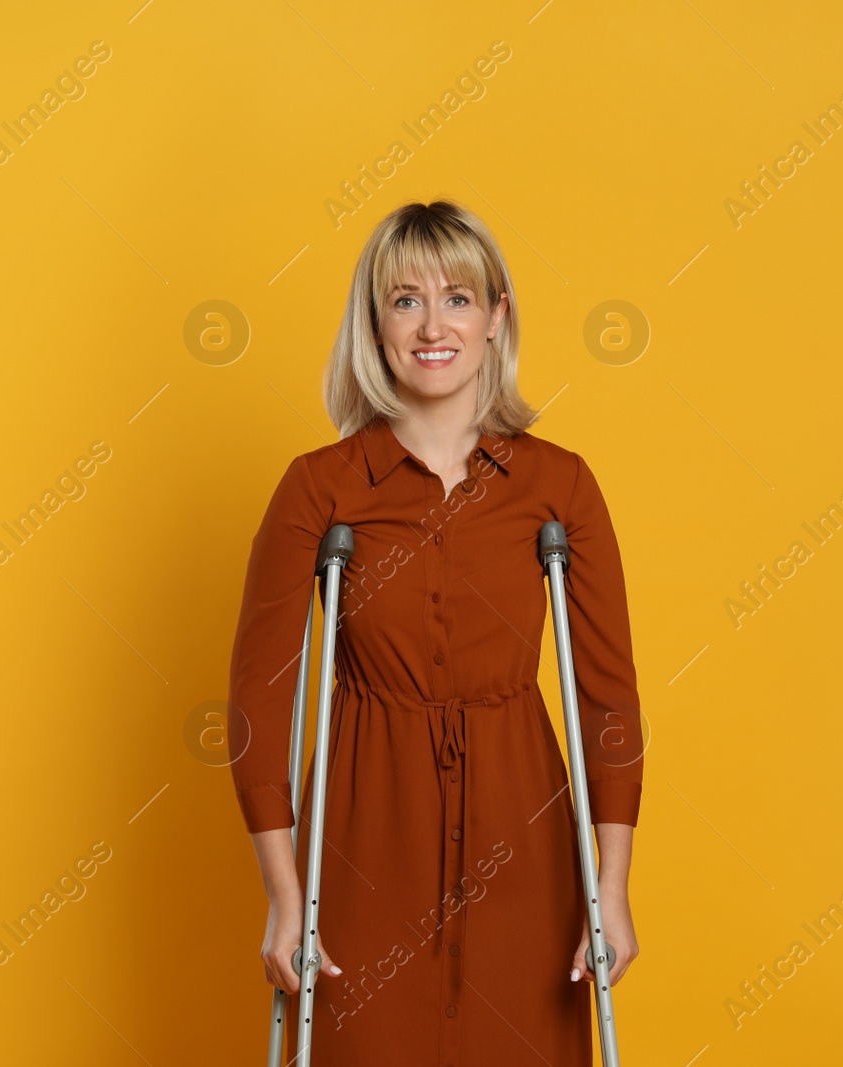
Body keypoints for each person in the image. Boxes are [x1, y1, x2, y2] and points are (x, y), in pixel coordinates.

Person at [227, 198, 643, 1065]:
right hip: (365, 837)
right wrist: (282, 891)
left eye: (458, 297)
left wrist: (610, 884)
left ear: (497, 318)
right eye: (405, 299)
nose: (432, 324)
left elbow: (606, 695)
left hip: (522, 835)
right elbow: (258, 700)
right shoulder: (319, 490)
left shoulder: (558, 488)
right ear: (374, 325)